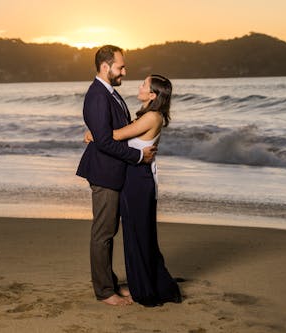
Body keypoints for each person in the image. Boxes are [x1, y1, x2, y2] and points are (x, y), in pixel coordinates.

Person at [85, 74, 182, 307]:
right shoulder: (147, 115)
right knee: (137, 233)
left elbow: (116, 135)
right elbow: (119, 136)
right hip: (134, 178)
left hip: (139, 180)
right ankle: (143, 282)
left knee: (140, 234)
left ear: (153, 95)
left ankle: (148, 287)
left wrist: (93, 135)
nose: (139, 86)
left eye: (144, 85)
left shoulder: (151, 116)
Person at [76, 45, 156, 306]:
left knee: (109, 231)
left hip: (113, 170)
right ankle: (104, 292)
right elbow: (105, 142)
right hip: (104, 172)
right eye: (120, 67)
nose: (125, 71)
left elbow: (113, 132)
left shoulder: (111, 93)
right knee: (103, 233)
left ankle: (110, 284)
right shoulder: (98, 95)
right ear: (105, 67)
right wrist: (138, 157)